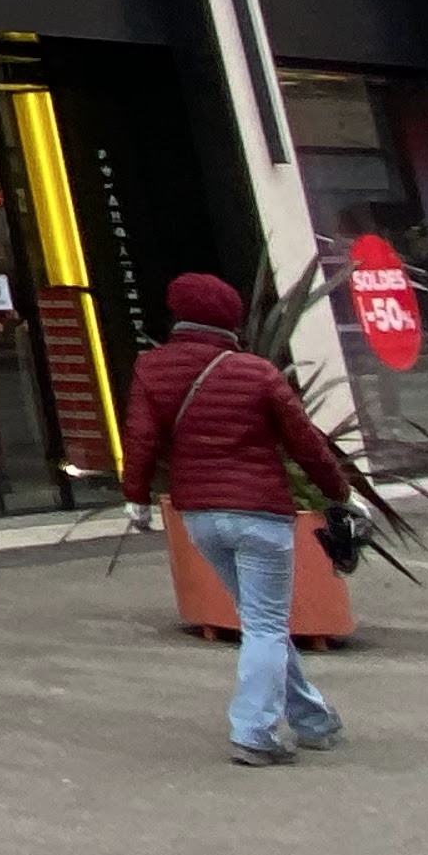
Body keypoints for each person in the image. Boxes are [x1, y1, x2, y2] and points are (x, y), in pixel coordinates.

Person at [118, 272, 355, 765]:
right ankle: (254, 732)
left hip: (200, 515)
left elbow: (140, 440)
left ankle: (313, 720)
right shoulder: (256, 372)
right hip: (261, 514)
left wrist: (136, 499)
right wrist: (338, 492)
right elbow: (305, 442)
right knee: (266, 625)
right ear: (230, 319)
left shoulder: (151, 368)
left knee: (260, 621)